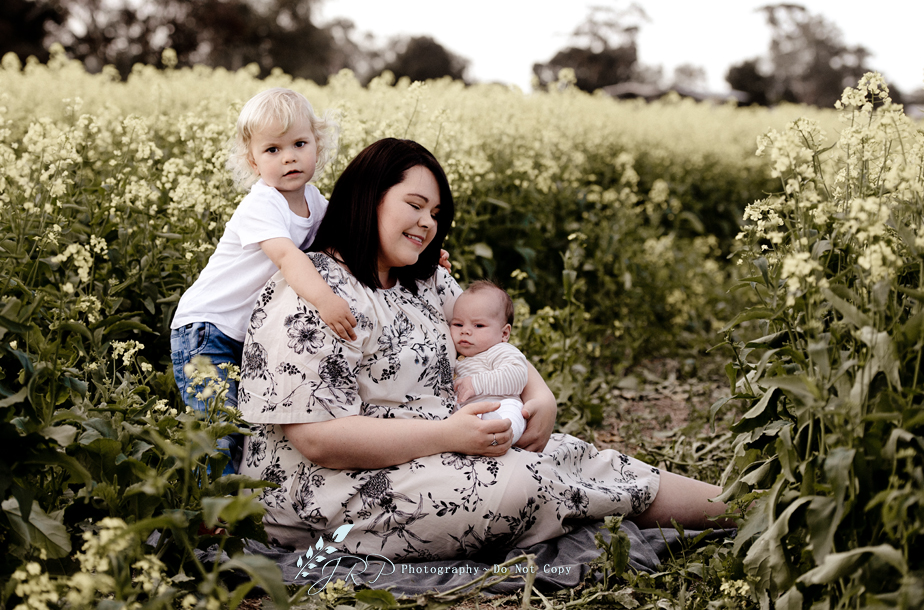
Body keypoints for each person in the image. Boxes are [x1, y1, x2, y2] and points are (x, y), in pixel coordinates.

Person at [237, 138, 732, 560]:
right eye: (415, 205)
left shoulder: (423, 281)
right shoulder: (313, 291)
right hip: (331, 490)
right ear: (369, 198)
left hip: (434, 452)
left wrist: (540, 395)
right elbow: (317, 440)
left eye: (435, 214)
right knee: (524, 481)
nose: (427, 223)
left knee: (574, 455)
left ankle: (749, 506)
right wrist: (448, 434)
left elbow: (489, 341)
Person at [170, 87, 354, 472]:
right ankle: (210, 509)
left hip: (245, 337)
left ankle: (237, 504)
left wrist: (423, 258)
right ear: (253, 162)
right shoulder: (262, 203)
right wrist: (325, 300)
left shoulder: (315, 201)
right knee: (217, 433)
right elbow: (288, 257)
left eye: (299, 144)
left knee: (247, 432)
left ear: (317, 146)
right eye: (273, 150)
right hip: (207, 330)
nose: (289, 157)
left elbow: (352, 241)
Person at [451, 281, 527, 446]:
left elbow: (517, 376)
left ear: (504, 333)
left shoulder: (499, 350)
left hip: (500, 404)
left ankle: (502, 435)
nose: (465, 331)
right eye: (458, 324)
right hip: (469, 414)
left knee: (511, 417)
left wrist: (476, 383)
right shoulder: (456, 357)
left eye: (478, 325)